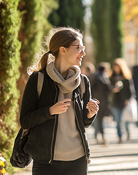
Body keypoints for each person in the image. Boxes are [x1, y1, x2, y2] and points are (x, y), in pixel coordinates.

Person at [20, 27, 99, 175]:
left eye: (83, 48)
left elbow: (84, 123)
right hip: (45, 162)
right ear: (63, 50)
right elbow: (25, 120)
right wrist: (49, 111)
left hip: (78, 160)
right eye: (79, 48)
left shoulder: (82, 81)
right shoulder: (38, 80)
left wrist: (90, 114)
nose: (83, 52)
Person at [109, 58, 135, 143]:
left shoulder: (126, 77)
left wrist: (128, 99)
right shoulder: (111, 77)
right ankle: (119, 136)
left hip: (124, 102)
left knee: (125, 119)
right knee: (117, 120)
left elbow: (131, 90)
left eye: (118, 67)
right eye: (115, 67)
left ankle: (127, 132)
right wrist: (113, 89)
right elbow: (108, 89)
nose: (116, 69)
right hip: (114, 102)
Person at [91, 62, 111, 145]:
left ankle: (97, 136)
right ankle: (102, 136)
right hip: (102, 101)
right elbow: (107, 89)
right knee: (100, 120)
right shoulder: (103, 77)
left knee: (96, 119)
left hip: (93, 100)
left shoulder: (93, 76)